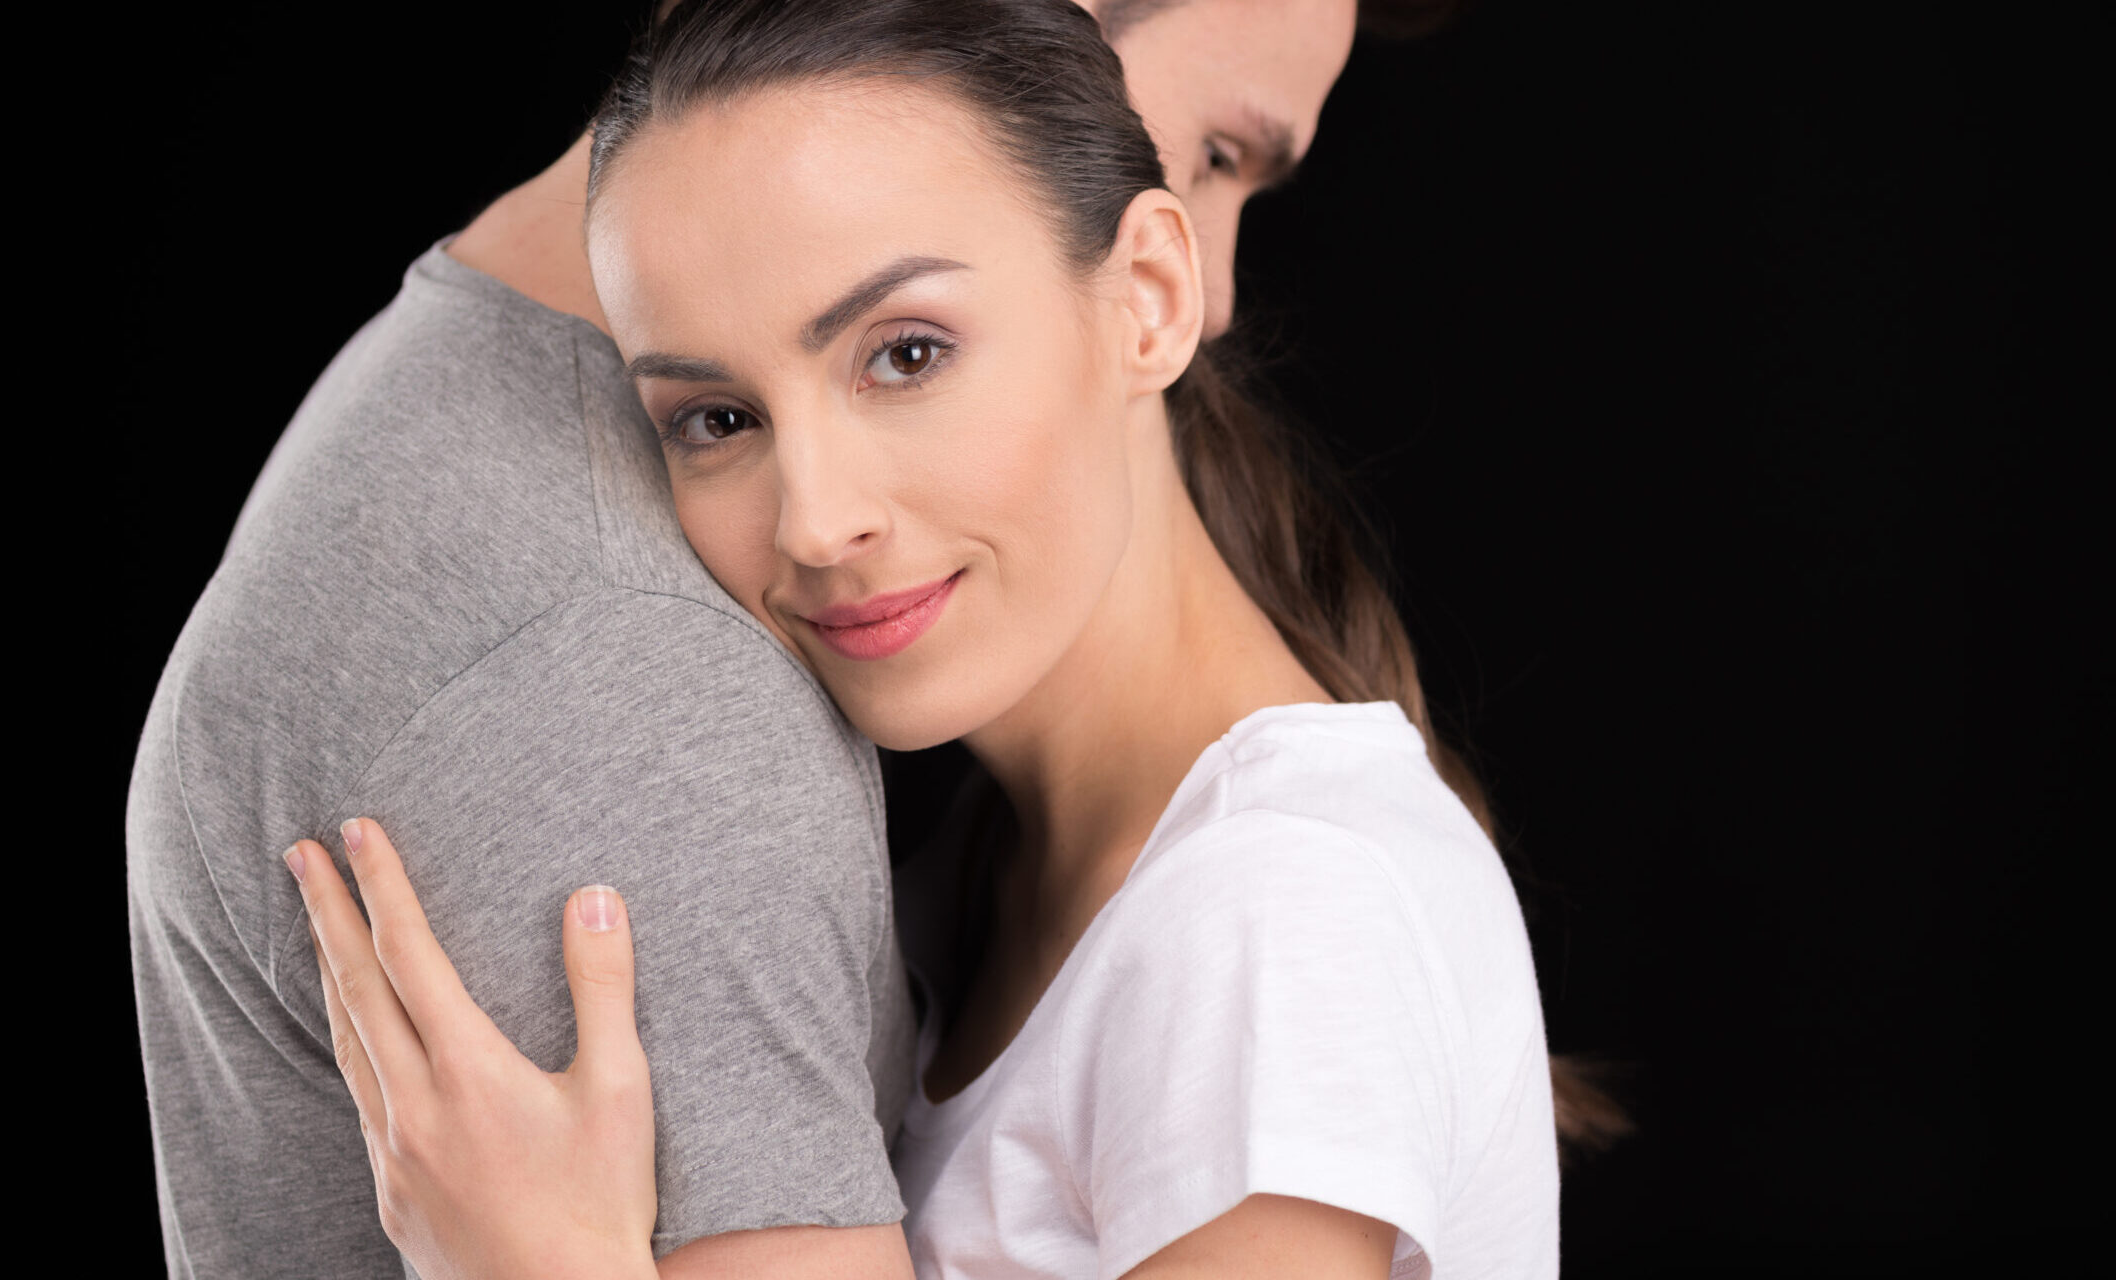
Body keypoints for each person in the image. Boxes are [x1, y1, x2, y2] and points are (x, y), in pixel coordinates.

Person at [286, 0, 1569, 1276]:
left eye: (906, 353)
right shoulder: (994, 885)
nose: (815, 520)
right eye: (716, 418)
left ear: (1150, 297)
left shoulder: (1279, 903)